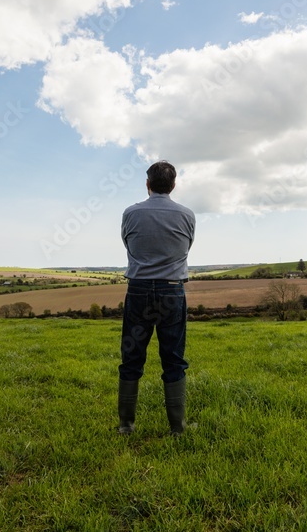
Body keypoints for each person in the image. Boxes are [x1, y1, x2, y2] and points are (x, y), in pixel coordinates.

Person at [117, 160, 196, 436]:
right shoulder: (187, 215)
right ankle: (177, 428)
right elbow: (186, 247)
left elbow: (128, 244)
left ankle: (126, 425)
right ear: (173, 185)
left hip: (138, 290)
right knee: (173, 358)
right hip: (172, 291)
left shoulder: (130, 213)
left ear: (147, 184)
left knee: (131, 356)